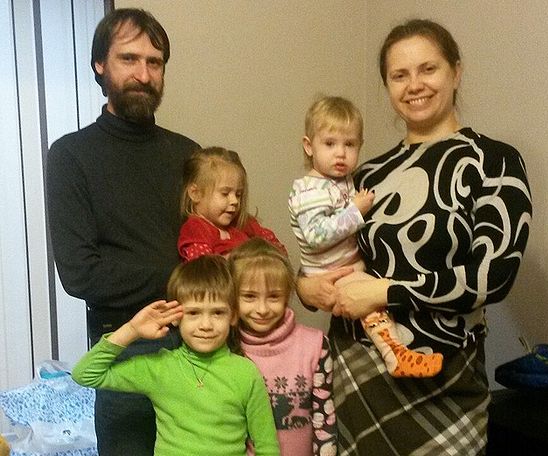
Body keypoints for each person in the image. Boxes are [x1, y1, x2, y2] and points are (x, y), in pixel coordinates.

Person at [296, 19, 532, 455]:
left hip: (447, 378)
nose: (414, 85)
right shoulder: (366, 174)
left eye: (428, 69)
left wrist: (384, 291)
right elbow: (324, 245)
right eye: (399, 75)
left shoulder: (493, 161)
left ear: (456, 71)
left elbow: (493, 276)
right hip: (359, 374)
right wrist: (304, 287)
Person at [46, 8, 199, 455]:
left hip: (200, 341)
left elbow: (216, 249)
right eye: (129, 59)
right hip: (125, 346)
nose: (143, 74)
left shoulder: (189, 155)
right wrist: (182, 276)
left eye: (154, 63)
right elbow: (81, 273)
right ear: (100, 64)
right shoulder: (71, 156)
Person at [289, 95, 444, 378]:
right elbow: (316, 236)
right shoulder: (310, 190)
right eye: (330, 144)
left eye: (349, 145)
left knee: (378, 301)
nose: (340, 154)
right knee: (373, 306)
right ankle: (395, 356)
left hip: (347, 264)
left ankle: (399, 347)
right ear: (309, 146)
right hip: (332, 271)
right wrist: (355, 212)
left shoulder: (341, 181)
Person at [72, 255, 280, 456]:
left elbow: (267, 445)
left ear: (233, 316)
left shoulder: (246, 372)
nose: (206, 325)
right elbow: (85, 374)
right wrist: (132, 330)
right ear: (175, 317)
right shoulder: (160, 368)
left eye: (217, 313)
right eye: (193, 313)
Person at [229, 238, 337, 456]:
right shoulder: (227, 349)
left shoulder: (315, 345)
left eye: (273, 297)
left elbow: (324, 419)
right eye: (249, 296)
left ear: (287, 295)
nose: (262, 309)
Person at [177, 146, 286, 260]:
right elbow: (205, 267)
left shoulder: (243, 223)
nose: (235, 201)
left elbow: (279, 250)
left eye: (238, 194)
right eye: (225, 194)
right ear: (195, 193)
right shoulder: (196, 229)